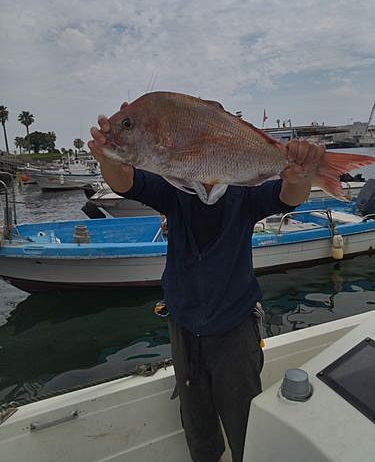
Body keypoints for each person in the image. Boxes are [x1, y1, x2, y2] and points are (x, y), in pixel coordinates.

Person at [88, 103, 326, 462]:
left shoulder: (244, 191)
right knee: (198, 432)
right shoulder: (172, 189)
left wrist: (302, 176)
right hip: (183, 328)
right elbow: (126, 182)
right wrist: (107, 153)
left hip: (234, 328)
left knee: (244, 427)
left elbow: (286, 196)